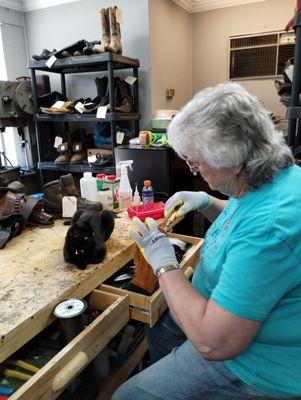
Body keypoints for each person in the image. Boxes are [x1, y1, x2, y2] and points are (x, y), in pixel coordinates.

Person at [112, 82, 301, 400]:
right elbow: (245, 217)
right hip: (223, 317)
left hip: (253, 364)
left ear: (236, 162)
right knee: (162, 326)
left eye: (197, 164)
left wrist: (164, 264)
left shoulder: (270, 229)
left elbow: (214, 344)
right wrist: (209, 202)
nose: (195, 173)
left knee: (128, 396)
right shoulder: (273, 177)